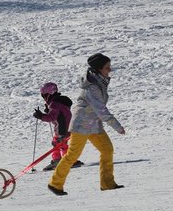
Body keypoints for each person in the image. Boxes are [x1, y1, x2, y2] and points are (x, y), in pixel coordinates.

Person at [47, 53, 126, 196]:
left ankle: (107, 184)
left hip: (93, 124)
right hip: (82, 124)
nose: (110, 70)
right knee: (72, 155)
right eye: (107, 68)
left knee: (107, 150)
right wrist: (117, 126)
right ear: (98, 69)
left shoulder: (99, 81)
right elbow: (101, 110)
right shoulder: (92, 87)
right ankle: (55, 184)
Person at [33, 82, 83, 171]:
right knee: (59, 143)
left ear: (49, 94)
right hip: (67, 127)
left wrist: (40, 116)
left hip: (62, 129)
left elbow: (51, 117)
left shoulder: (55, 104)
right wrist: (49, 110)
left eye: (44, 96)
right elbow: (59, 114)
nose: (44, 98)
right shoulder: (59, 102)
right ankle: (66, 160)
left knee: (58, 144)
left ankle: (63, 160)